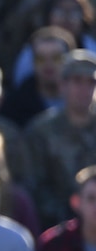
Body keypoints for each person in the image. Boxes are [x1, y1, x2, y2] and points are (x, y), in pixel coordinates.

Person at [23, 50, 96, 227]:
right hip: (55, 225)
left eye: (91, 83)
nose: (84, 90)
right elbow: (34, 186)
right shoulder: (40, 131)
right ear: (62, 85)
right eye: (77, 81)